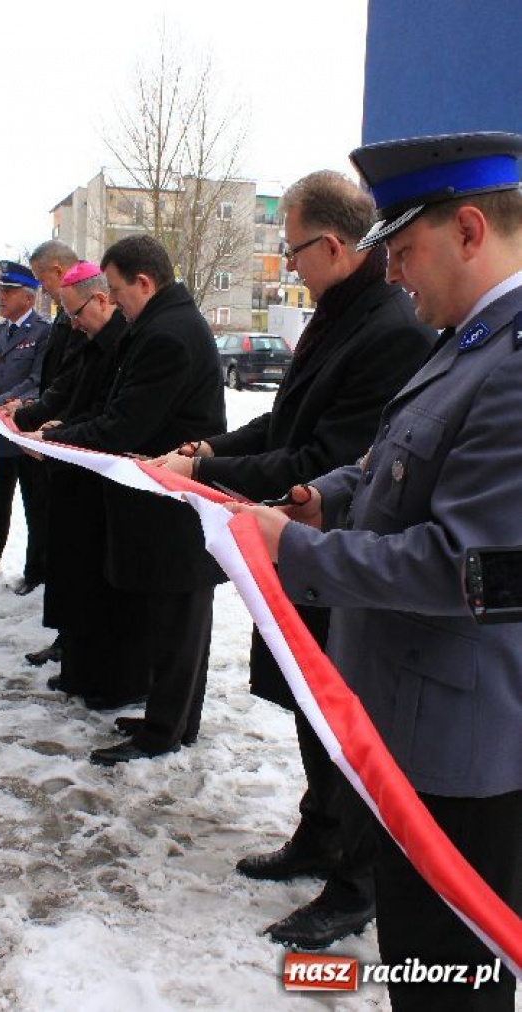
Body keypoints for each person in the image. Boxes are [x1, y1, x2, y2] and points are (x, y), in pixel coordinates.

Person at [228, 132, 522, 1011]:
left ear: (467, 230)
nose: (392, 274)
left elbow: (466, 571)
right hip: (411, 720)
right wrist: (323, 497)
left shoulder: (510, 365)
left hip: (462, 746)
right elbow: (396, 460)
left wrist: (294, 552)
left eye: (402, 251)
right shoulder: (465, 340)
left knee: (449, 980)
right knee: (417, 963)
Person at [151, 169, 436, 949]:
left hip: (341, 564)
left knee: (345, 726)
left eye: (293, 251)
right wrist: (208, 448)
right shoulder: (342, 314)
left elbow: (319, 458)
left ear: (335, 246)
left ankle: (356, 884)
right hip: (303, 555)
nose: (288, 266)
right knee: (311, 719)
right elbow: (282, 423)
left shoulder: (387, 330)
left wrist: (205, 472)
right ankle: (319, 837)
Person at [29, 234, 227, 762]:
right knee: (170, 619)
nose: (112, 302)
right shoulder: (164, 324)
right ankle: (171, 720)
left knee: (177, 621)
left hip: (172, 503)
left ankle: (164, 730)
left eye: (116, 291)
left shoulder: (168, 334)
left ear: (145, 282)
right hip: (164, 499)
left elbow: (125, 423)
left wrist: (59, 440)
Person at [21, 261, 150, 707]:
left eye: (77, 313)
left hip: (97, 475)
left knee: (93, 585)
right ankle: (76, 666)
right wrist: (37, 418)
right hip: (73, 465)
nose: (74, 325)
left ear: (101, 299)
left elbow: (110, 412)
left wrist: (61, 429)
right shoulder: (91, 338)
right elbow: (69, 389)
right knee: (72, 575)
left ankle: (95, 675)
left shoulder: (123, 342)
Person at [2, 240, 84, 665]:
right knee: (54, 534)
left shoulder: (82, 317)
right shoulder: (66, 318)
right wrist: (30, 414)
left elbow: (74, 385)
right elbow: (58, 383)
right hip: (52, 437)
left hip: (70, 443)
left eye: (42, 279)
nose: (42, 289)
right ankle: (64, 637)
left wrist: (46, 420)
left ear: (57, 270)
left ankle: (72, 640)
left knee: (67, 545)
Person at [0, 261, 50, 594]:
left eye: (8, 291)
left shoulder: (43, 333)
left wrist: (3, 401)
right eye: (0, 290)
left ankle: (36, 572)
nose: (0, 296)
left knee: (36, 505)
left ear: (27, 298)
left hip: (28, 433)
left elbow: (39, 381)